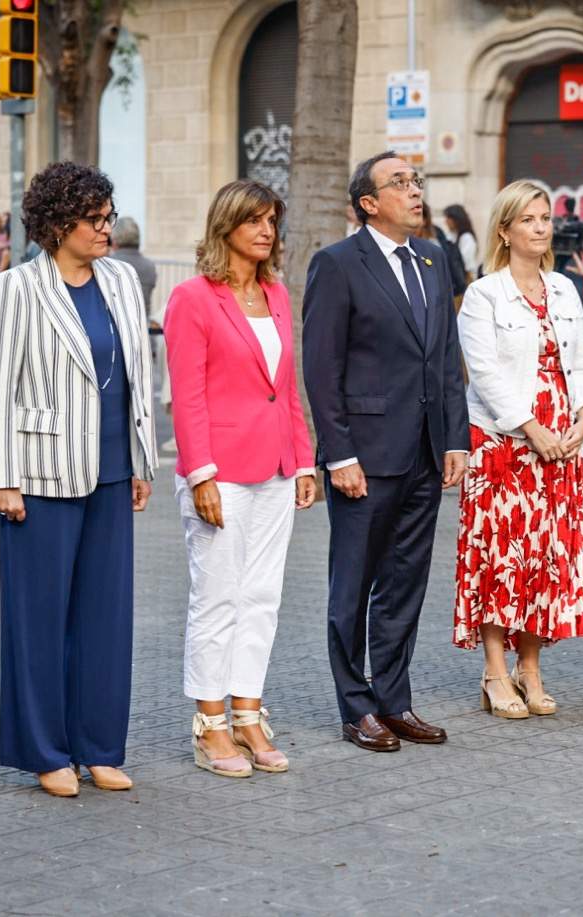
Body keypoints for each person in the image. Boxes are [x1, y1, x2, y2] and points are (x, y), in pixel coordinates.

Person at [0, 162, 156, 797]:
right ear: (58, 225)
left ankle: (100, 747)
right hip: (40, 473)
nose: (107, 229)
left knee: (106, 618)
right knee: (39, 619)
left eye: (109, 217)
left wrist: (141, 461)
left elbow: (138, 376)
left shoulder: (123, 281)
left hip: (112, 472)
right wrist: (3, 478)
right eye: (95, 219)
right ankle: (47, 752)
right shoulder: (17, 288)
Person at [302, 151, 469, 752]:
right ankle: (355, 707)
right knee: (354, 585)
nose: (414, 191)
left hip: (425, 452)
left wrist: (455, 438)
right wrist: (338, 453)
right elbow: (322, 369)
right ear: (368, 203)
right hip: (366, 457)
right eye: (399, 183)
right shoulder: (337, 265)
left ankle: (394, 700)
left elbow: (447, 359)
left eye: (415, 181)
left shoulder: (433, 259)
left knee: (405, 583)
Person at [166, 180, 317, 777]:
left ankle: (249, 713)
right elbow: (188, 393)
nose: (266, 230)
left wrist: (303, 460)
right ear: (225, 225)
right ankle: (210, 724)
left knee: (261, 597)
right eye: (253, 219)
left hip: (277, 467)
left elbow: (287, 384)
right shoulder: (193, 297)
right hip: (220, 471)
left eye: (272, 220)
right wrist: (200, 472)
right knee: (217, 597)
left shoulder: (276, 293)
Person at [454, 180, 583, 718]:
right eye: (529, 220)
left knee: (545, 556)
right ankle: (495, 670)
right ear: (505, 230)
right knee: (500, 556)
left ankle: (530, 667)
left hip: (561, 442)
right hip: (503, 442)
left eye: (545, 218)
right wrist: (528, 427)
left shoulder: (563, 288)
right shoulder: (484, 294)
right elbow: (484, 372)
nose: (541, 227)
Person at [109, 217, 163, 402]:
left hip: (115, 335)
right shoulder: (149, 265)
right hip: (143, 333)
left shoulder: (107, 264)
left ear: (115, 239)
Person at [442, 204, 480, 285]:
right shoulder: (451, 235)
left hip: (465, 281)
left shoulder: (466, 238)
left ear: (456, 219)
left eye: (448, 218)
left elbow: (467, 264)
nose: (446, 221)